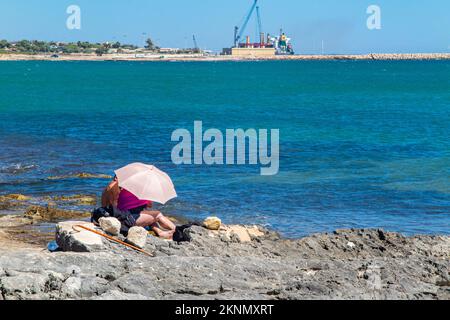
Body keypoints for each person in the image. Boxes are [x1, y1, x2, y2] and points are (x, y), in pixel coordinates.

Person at [101, 177, 176, 239]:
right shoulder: (116, 188)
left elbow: (112, 206)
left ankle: (160, 232)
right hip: (125, 220)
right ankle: (176, 230)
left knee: (149, 215)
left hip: (117, 217)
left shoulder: (114, 188)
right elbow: (149, 205)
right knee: (158, 215)